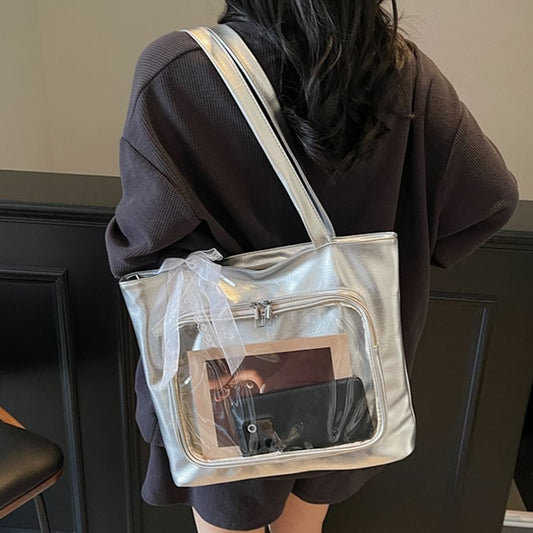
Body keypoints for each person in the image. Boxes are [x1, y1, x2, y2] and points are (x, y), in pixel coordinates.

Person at [104, 1, 519, 531]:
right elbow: (491, 198)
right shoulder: (399, 69)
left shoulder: (178, 69)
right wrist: (407, 257)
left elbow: (143, 249)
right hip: (346, 365)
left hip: (222, 371)